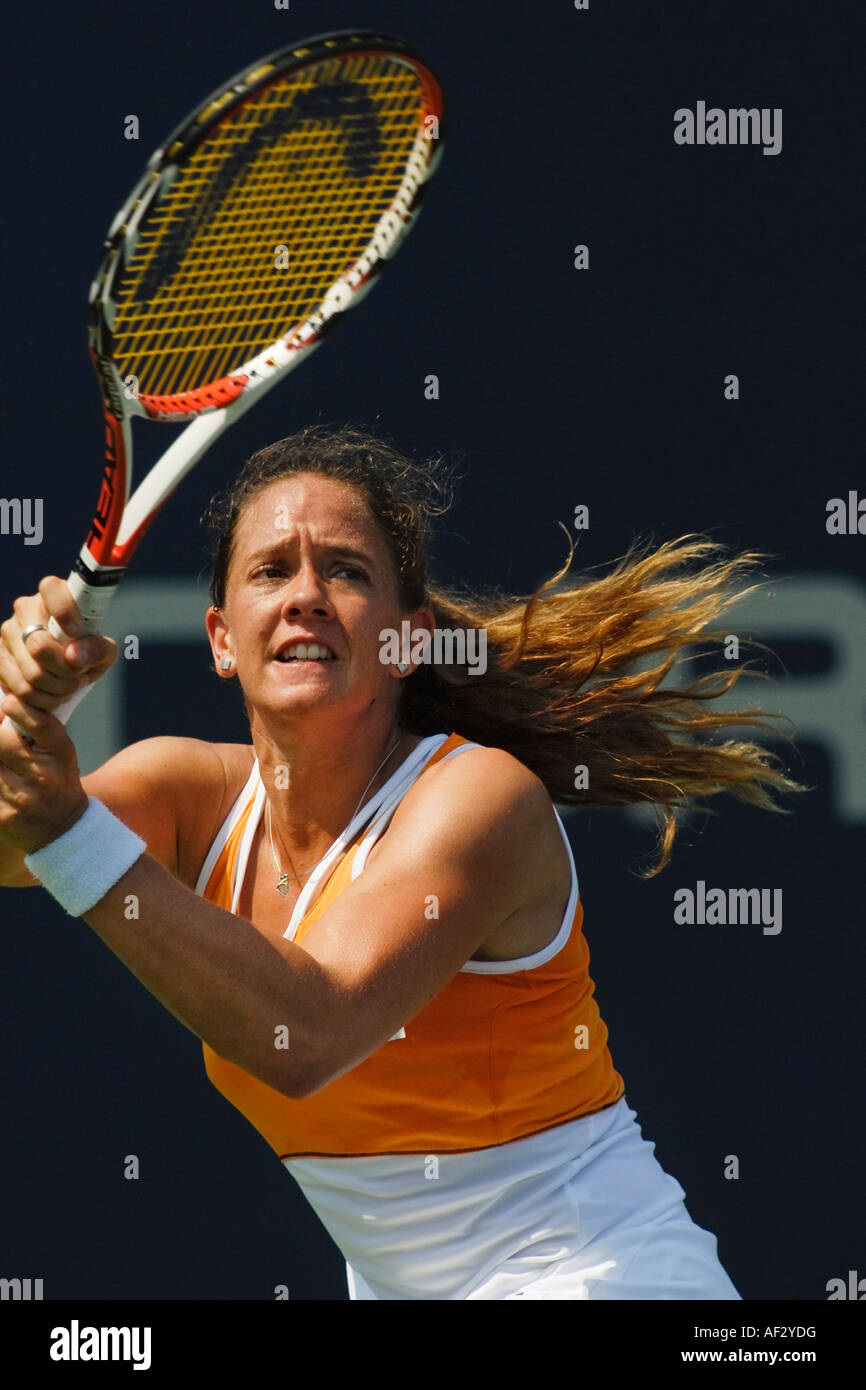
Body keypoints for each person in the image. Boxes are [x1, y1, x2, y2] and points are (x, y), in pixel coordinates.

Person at [0, 425, 801, 1300]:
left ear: (408, 639)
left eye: (344, 570)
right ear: (223, 639)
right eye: (272, 570)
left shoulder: (479, 800)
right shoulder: (189, 792)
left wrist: (67, 826)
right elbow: (12, 850)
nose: (305, 595)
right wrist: (26, 722)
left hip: (599, 1278)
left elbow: (309, 1035)